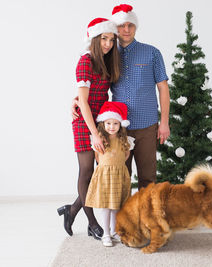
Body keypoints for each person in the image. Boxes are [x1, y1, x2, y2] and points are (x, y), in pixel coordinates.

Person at [72, 4, 170, 189]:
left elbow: (163, 88)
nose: (126, 29)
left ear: (136, 27)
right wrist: (76, 100)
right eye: (121, 25)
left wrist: (164, 122)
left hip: (146, 125)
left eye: (130, 25)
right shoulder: (107, 53)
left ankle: (146, 217)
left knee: (147, 178)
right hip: (115, 128)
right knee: (118, 179)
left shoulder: (152, 53)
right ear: (114, 28)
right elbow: (91, 82)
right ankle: (123, 218)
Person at [57, 17, 120, 239]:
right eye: (104, 38)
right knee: (87, 171)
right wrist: (94, 133)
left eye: (111, 40)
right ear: (94, 38)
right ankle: (93, 223)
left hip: (101, 120)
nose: (108, 44)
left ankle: (71, 209)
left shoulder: (107, 61)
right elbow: (83, 102)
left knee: (99, 172)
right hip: (85, 122)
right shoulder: (85, 61)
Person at [85, 101, 133, 247]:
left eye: (115, 124)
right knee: (106, 206)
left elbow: (125, 156)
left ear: (120, 125)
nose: (112, 127)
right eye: (108, 123)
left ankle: (114, 231)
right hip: (105, 176)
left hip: (119, 175)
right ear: (103, 124)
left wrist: (117, 167)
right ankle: (106, 233)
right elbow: (98, 158)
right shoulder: (100, 140)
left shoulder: (125, 140)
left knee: (116, 206)